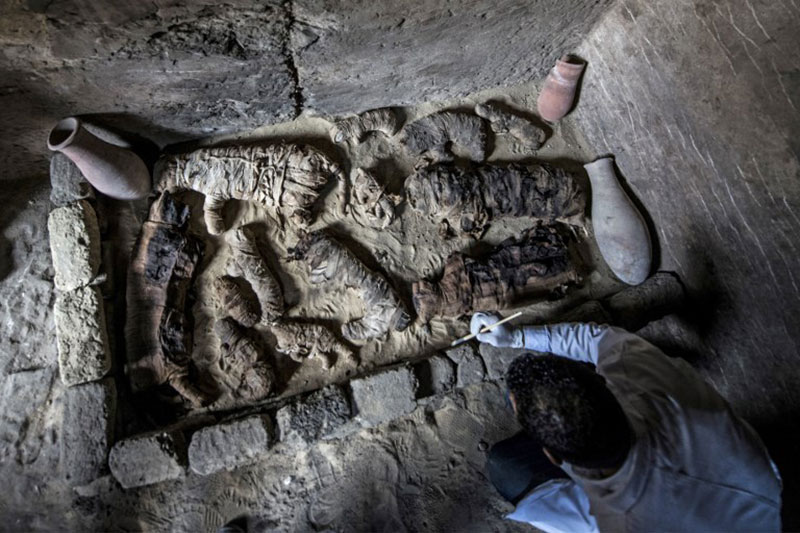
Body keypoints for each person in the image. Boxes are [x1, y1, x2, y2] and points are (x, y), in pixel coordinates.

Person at [470, 312, 782, 532]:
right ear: (604, 384)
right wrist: (515, 336)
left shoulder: (612, 522)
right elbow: (599, 339)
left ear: (553, 458)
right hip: (756, 489)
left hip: (721, 499)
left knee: (504, 465)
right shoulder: (642, 374)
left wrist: (518, 339)